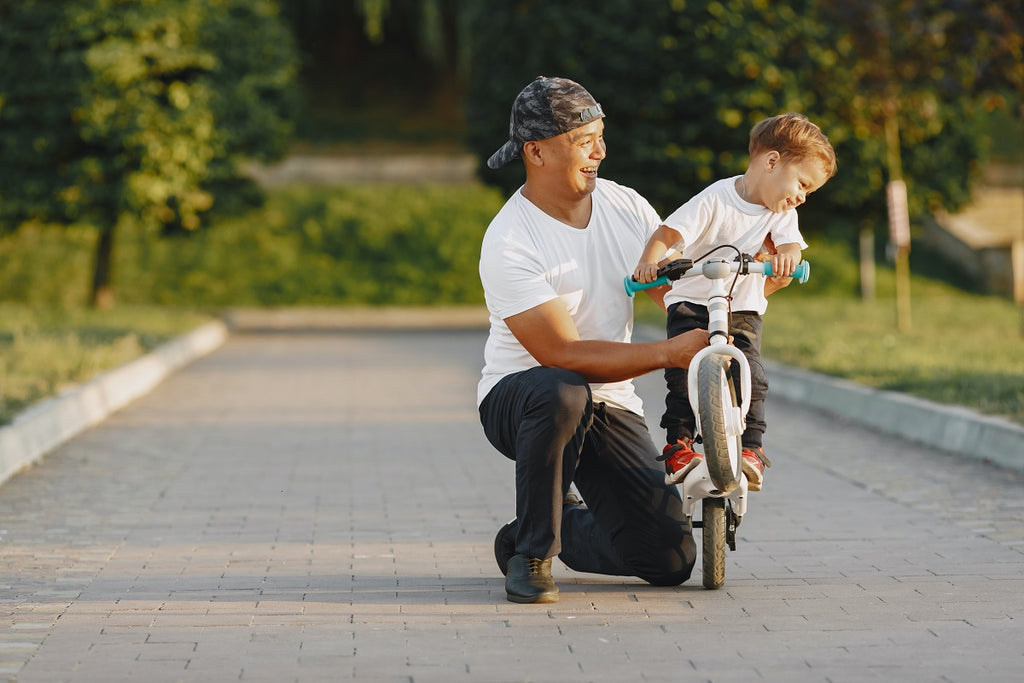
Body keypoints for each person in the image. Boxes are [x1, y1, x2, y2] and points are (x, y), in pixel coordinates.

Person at [477, 76, 709, 604]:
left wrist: (750, 284)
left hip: (608, 402)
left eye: (601, 136)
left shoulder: (626, 207)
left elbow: (675, 298)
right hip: (522, 398)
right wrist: (668, 354)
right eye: (584, 140)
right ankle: (532, 554)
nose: (600, 151)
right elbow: (560, 354)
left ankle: (559, 526)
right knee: (563, 389)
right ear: (535, 152)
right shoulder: (510, 239)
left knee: (670, 561)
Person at [632, 112, 837, 492]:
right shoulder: (716, 198)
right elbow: (668, 231)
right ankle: (679, 444)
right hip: (692, 303)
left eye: (810, 192)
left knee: (753, 375)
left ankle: (752, 450)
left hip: (741, 306)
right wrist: (649, 261)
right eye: (802, 184)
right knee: (681, 374)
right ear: (772, 162)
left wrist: (787, 258)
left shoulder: (782, 213)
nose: (802, 197)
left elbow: (790, 244)